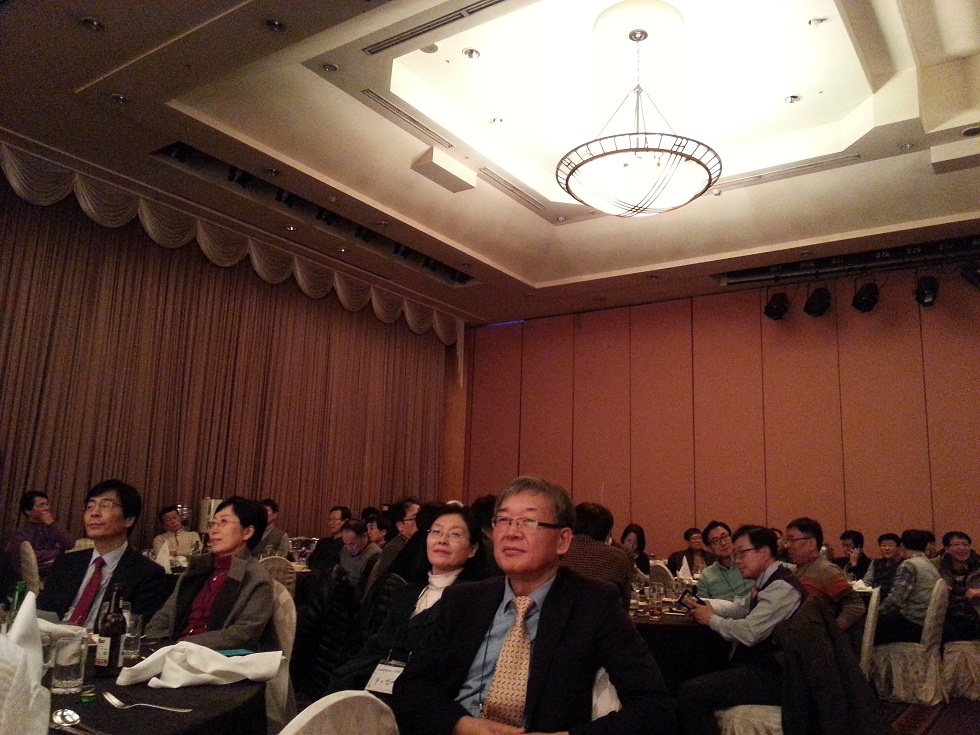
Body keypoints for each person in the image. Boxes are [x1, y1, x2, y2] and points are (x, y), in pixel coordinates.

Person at [390, 475, 677, 735]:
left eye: (528, 521)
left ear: (563, 540)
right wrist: (462, 725)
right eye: (503, 520)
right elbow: (411, 685)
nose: (511, 532)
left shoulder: (594, 604)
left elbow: (654, 707)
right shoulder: (464, 599)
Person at [328, 504, 487, 694]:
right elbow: (374, 648)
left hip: (420, 697)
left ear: (472, 549)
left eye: (455, 534)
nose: (442, 540)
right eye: (436, 531)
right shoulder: (406, 593)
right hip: (373, 690)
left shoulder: (474, 602)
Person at [677, 525, 804, 735]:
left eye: (742, 553)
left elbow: (749, 633)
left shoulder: (782, 587)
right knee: (691, 668)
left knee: (690, 693)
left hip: (778, 676)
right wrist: (709, 607)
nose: (737, 561)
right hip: (758, 664)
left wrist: (711, 620)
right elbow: (739, 608)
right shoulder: (764, 581)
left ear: (764, 552)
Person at [145, 496, 274, 651]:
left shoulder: (255, 578)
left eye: (223, 522)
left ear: (247, 532)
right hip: (171, 652)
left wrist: (181, 646)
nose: (213, 530)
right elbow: (167, 614)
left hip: (216, 659)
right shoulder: (198, 568)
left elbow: (243, 634)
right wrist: (155, 642)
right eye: (213, 523)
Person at [38, 479, 170, 627]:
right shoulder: (65, 563)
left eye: (106, 505)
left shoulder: (148, 573)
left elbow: (137, 630)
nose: (94, 513)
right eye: (90, 506)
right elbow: (43, 614)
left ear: (128, 519)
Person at [785, 517, 864, 632]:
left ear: (812, 543)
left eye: (792, 540)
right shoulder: (796, 569)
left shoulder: (826, 570)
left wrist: (832, 631)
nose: (787, 545)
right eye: (786, 540)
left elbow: (856, 606)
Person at [559, 502, 633, 609]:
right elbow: (625, 604)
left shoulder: (558, 552)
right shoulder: (618, 557)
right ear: (607, 533)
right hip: (604, 617)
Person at [875, 529, 942, 644]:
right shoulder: (929, 563)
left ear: (902, 546)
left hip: (911, 622)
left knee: (863, 627)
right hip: (925, 621)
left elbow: (895, 600)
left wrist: (874, 613)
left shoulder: (909, 565)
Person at [3, 490, 74, 582]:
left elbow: (70, 544)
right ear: (28, 511)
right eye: (41, 505)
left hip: (55, 573)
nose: (46, 508)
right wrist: (59, 552)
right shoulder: (21, 532)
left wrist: (51, 524)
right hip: (30, 578)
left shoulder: (52, 527)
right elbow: (29, 557)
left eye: (47, 504)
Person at [362, 498, 420, 597]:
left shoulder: (418, 542)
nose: (421, 521)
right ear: (400, 525)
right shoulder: (394, 549)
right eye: (415, 518)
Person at [936, 531, 980, 641]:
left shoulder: (977, 565)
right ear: (946, 549)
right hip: (946, 618)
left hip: (973, 616)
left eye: (965, 544)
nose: (962, 548)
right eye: (956, 545)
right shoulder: (937, 566)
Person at [697, 520, 754, 602]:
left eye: (724, 537)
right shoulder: (706, 576)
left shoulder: (750, 562)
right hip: (721, 610)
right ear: (709, 548)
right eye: (716, 541)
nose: (723, 543)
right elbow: (701, 604)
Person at [339, 519, 381, 594]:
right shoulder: (345, 549)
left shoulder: (375, 555)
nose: (348, 548)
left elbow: (364, 591)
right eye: (345, 543)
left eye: (352, 544)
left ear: (364, 536)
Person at [306, 505, 351, 572]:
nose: (331, 523)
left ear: (345, 521)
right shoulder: (323, 542)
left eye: (335, 519)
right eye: (330, 519)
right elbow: (310, 561)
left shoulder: (347, 545)